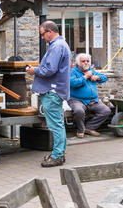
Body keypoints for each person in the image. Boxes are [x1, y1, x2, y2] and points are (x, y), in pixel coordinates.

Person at [26, 21, 71, 167]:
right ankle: (59, 154)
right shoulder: (61, 44)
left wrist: (34, 70)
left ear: (50, 31)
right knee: (58, 124)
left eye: (43, 34)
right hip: (56, 90)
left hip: (52, 91)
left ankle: (57, 156)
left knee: (55, 125)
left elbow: (49, 70)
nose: (42, 38)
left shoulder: (57, 46)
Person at [68, 53, 111, 138]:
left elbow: (104, 78)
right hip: (76, 100)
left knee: (106, 111)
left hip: (92, 100)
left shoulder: (91, 71)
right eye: (83, 61)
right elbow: (73, 83)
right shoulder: (73, 71)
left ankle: (89, 128)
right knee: (78, 111)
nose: (86, 63)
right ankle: (80, 130)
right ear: (78, 63)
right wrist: (86, 77)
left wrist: (97, 77)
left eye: (87, 61)